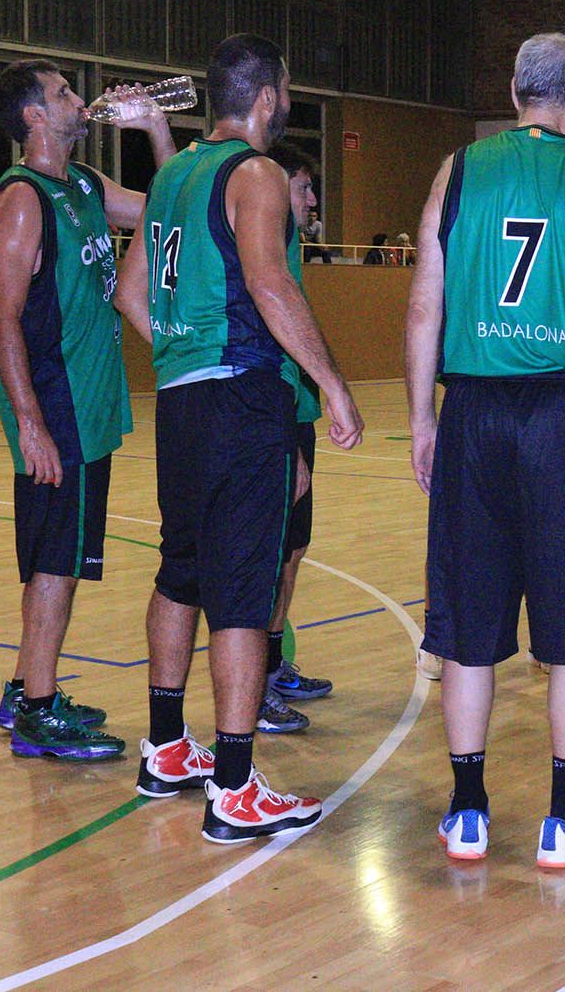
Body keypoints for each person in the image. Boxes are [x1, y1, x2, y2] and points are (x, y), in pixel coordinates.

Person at [404, 33, 565, 868]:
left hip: (473, 407)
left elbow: (422, 309)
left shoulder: (456, 172)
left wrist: (422, 418)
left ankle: (468, 810)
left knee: (468, 625)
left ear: (515, 90)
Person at [115, 33, 365, 844]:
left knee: (180, 566)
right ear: (267, 97)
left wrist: (185, 344)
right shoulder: (254, 175)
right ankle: (233, 783)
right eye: (286, 87)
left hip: (182, 402)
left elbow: (127, 291)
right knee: (242, 586)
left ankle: (165, 747)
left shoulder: (175, 177)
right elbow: (268, 279)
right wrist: (331, 383)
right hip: (240, 399)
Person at [0, 63, 174, 760]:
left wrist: (155, 128)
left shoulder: (85, 185)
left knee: (55, 562)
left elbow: (167, 205)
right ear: (34, 117)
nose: (77, 99)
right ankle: (36, 712)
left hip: (88, 405)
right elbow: (1, 321)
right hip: (55, 406)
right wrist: (31, 422)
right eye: (63, 92)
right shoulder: (23, 198)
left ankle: (22, 688)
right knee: (55, 567)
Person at [254, 139, 337, 735]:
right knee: (268, 552)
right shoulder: (264, 240)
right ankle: (253, 686)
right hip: (273, 411)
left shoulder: (287, 241)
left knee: (292, 548)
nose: (312, 200)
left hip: (295, 408)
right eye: (305, 187)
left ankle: (274, 663)